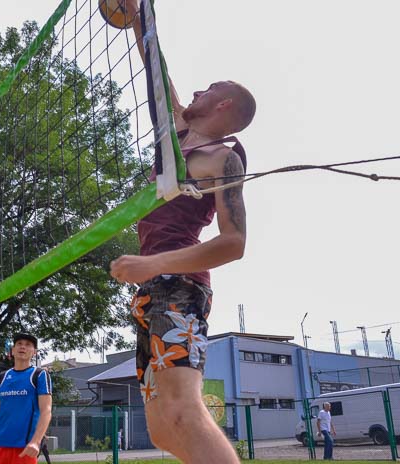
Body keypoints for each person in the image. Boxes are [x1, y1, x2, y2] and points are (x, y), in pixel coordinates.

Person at [109, 2, 256, 463]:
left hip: (181, 284)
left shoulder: (221, 159)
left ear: (224, 104)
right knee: (160, 430)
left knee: (182, 412)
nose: (197, 89)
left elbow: (235, 244)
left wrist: (151, 264)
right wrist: (138, 21)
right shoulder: (176, 134)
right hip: (151, 288)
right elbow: (157, 73)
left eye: (210, 87)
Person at [0, 333, 52, 464]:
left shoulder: (39, 375)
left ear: (34, 352)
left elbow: (46, 411)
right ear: (12, 350)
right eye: (19, 344)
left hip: (24, 447)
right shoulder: (1, 377)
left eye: (28, 345)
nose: (23, 347)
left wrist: (35, 441)